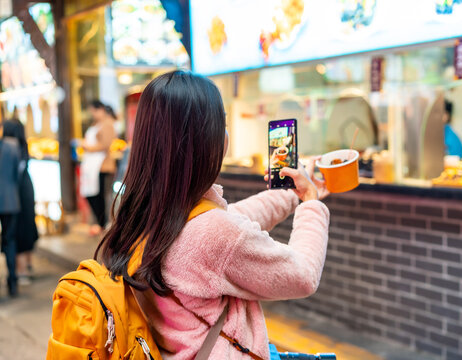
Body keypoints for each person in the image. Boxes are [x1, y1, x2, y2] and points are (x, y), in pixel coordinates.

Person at [95, 71, 330, 359]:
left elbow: (234, 218)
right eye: (223, 123)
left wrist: (293, 192)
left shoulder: (141, 214)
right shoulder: (212, 233)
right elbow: (303, 275)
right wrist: (311, 203)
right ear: (205, 140)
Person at [2, 118, 39, 285]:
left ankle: (18, 273)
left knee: (12, 236)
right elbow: (18, 173)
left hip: (13, 197)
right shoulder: (18, 147)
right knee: (13, 236)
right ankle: (16, 276)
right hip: (16, 197)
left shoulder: (7, 146)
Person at [80, 100, 117, 236]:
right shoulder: (96, 124)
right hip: (92, 166)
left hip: (103, 166)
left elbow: (106, 144)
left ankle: (103, 224)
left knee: (100, 196)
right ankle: (100, 223)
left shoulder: (108, 124)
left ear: (101, 109)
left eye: (94, 111)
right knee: (91, 193)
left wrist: (89, 148)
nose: (93, 114)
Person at [0, 120, 22, 297]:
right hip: (10, 199)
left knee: (9, 240)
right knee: (10, 241)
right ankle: (12, 281)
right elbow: (18, 173)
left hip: (9, 199)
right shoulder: (12, 146)